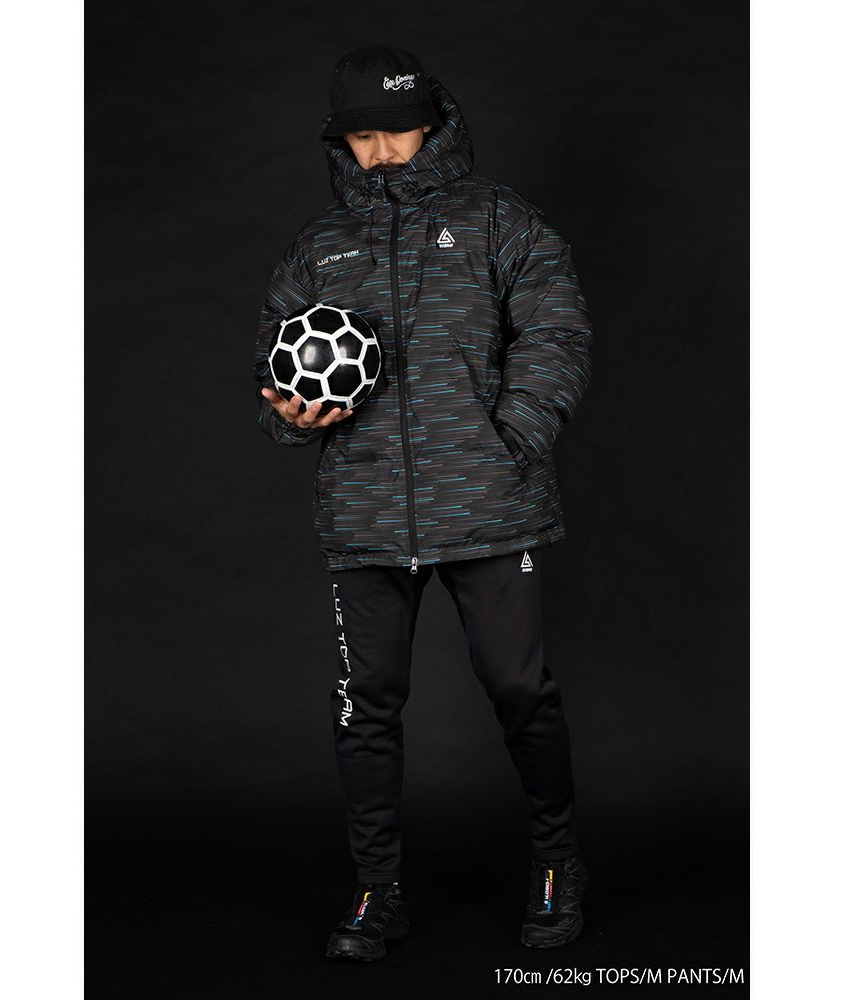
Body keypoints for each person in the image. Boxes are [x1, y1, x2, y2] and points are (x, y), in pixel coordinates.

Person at [253, 44, 594, 961]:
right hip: (365, 515)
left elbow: (558, 330)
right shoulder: (320, 248)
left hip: (491, 507)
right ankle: (377, 890)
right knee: (365, 705)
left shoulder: (501, 222)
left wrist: (509, 437)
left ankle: (557, 863)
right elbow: (275, 371)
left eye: (394, 132)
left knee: (519, 688)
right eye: (359, 138)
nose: (378, 153)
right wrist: (288, 415)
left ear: (433, 124)